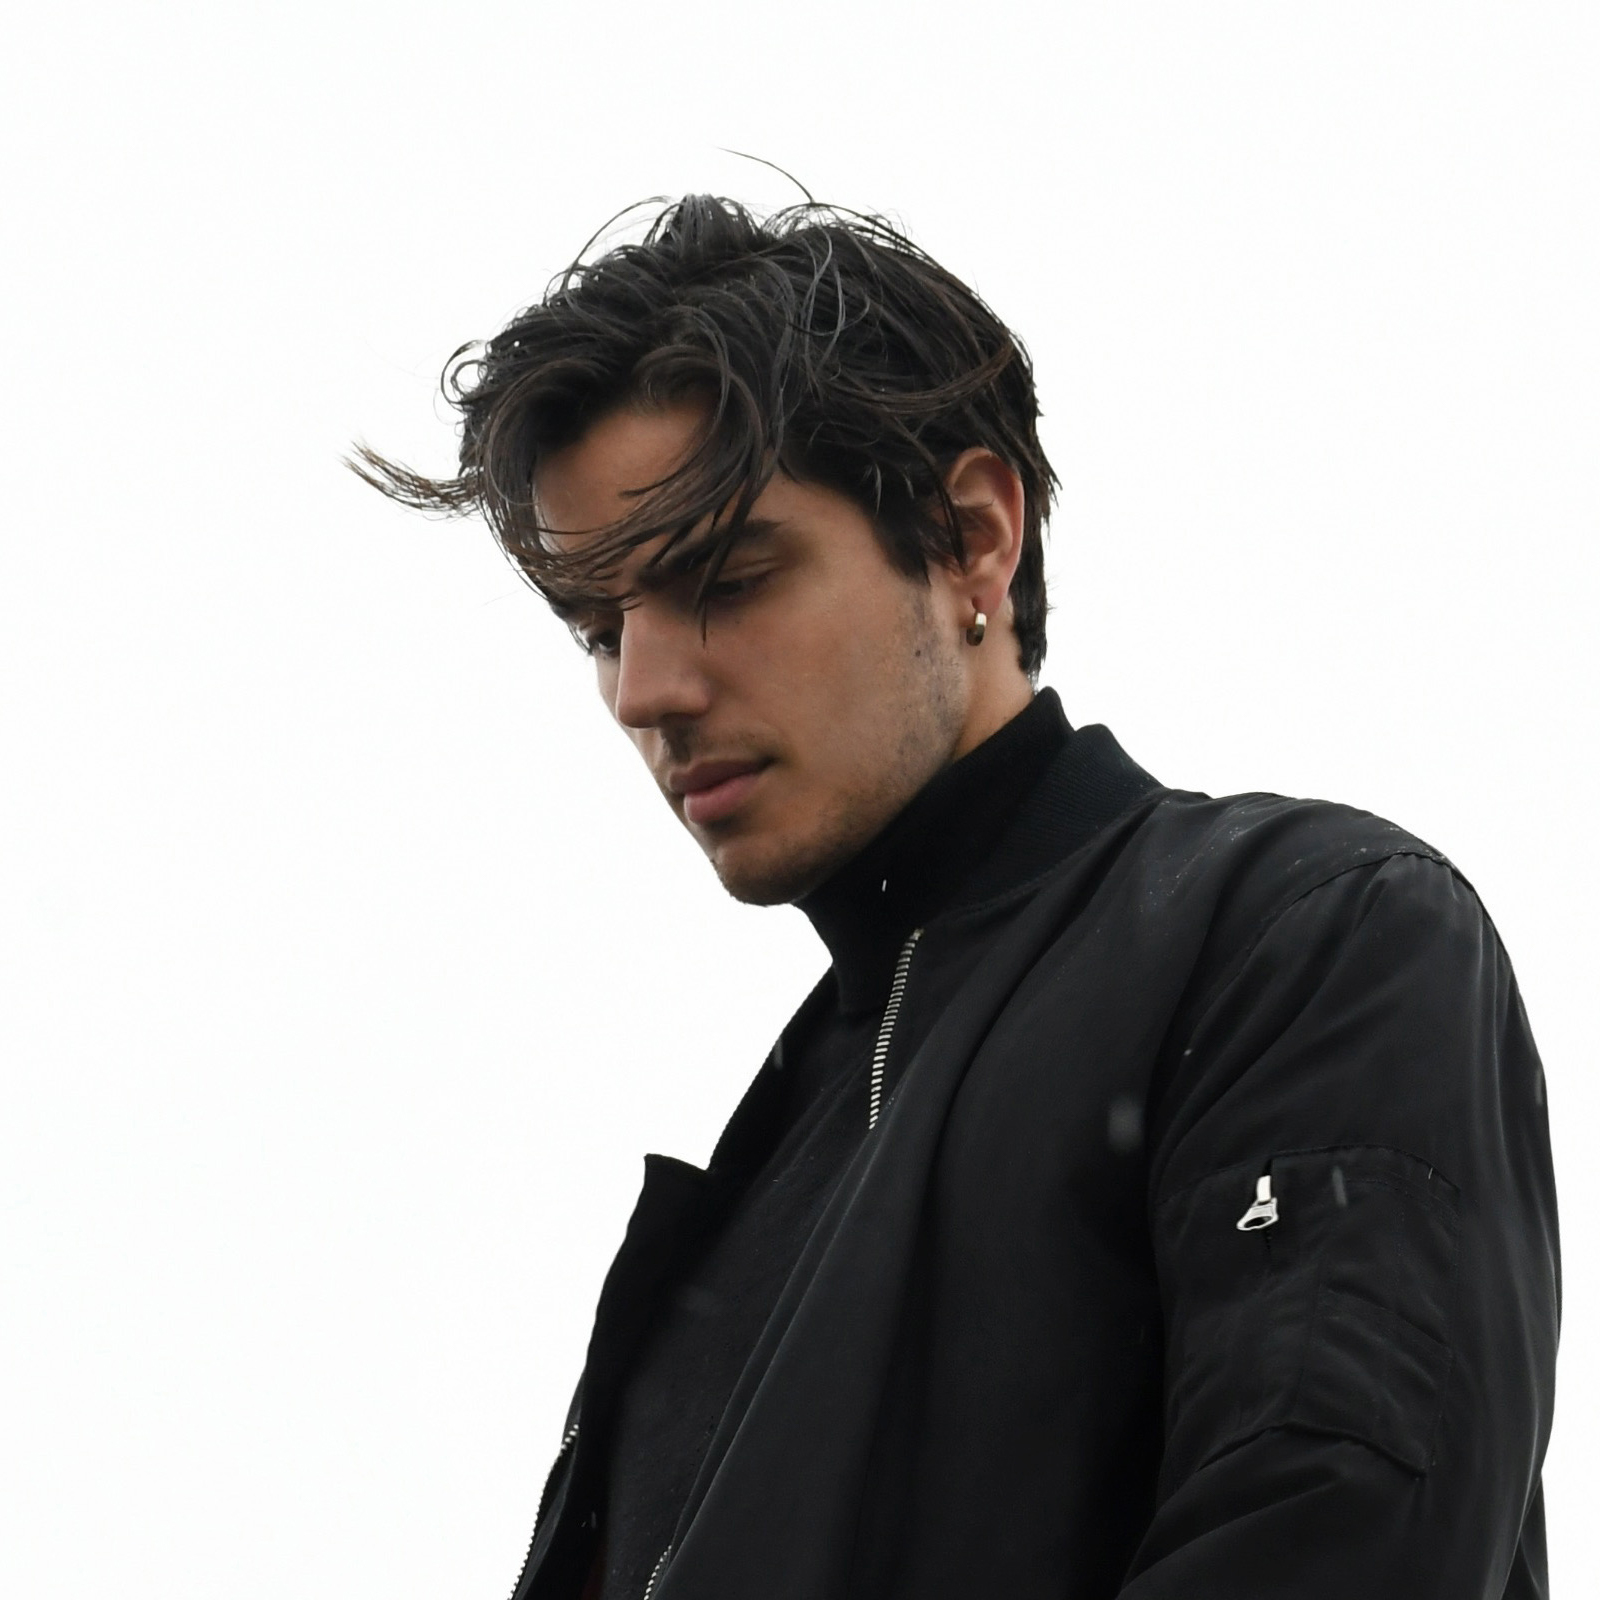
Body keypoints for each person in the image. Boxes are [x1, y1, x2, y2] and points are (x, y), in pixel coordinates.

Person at [354, 195, 1559, 1600]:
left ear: (973, 536)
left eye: (725, 580)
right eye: (600, 631)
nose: (647, 692)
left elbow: (1331, 1544)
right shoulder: (776, 1162)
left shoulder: (1304, 937)